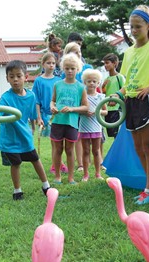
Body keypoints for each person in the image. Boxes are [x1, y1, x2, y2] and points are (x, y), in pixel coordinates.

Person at [113, 5, 149, 205]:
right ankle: (148, 186)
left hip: (147, 100)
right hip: (130, 101)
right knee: (137, 146)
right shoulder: (129, 52)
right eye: (131, 27)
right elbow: (127, 81)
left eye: (138, 27)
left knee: (148, 146)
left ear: (148, 26)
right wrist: (118, 94)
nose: (133, 31)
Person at [0, 60, 50, 200]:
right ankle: (17, 191)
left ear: (25, 77)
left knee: (35, 159)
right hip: (10, 139)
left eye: (18, 76)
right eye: (11, 76)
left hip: (25, 136)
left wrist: (37, 122)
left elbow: (33, 115)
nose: (15, 79)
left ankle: (46, 186)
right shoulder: (6, 97)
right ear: (7, 79)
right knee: (15, 164)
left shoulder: (31, 96)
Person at [50, 53, 88, 184]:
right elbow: (53, 101)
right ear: (63, 69)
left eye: (72, 68)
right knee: (58, 149)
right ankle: (57, 176)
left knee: (70, 150)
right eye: (67, 68)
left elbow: (85, 107)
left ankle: (71, 177)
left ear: (77, 69)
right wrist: (52, 106)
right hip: (57, 121)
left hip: (72, 123)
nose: (70, 71)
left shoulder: (81, 87)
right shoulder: (57, 85)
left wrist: (72, 109)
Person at [32, 52, 68, 174]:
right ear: (43, 64)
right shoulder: (38, 81)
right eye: (48, 63)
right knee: (54, 142)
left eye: (53, 63)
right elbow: (36, 100)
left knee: (59, 142)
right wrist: (39, 117)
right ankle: (56, 165)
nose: (51, 65)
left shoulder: (59, 80)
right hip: (46, 115)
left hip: (58, 114)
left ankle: (59, 163)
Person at [62, 41, 93, 171]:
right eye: (74, 52)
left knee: (92, 135)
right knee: (77, 135)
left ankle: (94, 160)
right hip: (73, 107)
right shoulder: (67, 70)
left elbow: (96, 85)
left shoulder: (88, 67)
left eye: (79, 51)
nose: (78, 54)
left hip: (88, 104)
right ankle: (80, 163)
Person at [79, 69, 108, 181]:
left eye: (94, 81)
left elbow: (105, 112)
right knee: (85, 151)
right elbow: (78, 110)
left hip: (96, 127)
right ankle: (86, 175)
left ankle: (98, 174)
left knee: (96, 151)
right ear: (85, 82)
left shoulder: (101, 97)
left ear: (98, 83)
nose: (91, 83)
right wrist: (84, 111)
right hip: (84, 127)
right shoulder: (82, 95)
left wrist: (97, 112)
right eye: (89, 81)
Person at [102, 53, 125, 138]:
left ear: (115, 63)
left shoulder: (120, 77)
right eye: (104, 63)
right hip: (108, 109)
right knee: (111, 133)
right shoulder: (106, 79)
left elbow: (125, 90)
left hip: (117, 109)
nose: (105, 65)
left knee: (117, 133)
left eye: (107, 63)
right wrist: (103, 87)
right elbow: (105, 93)